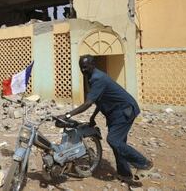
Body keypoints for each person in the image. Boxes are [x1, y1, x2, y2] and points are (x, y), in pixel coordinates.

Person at [58, 54, 153, 185]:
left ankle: (144, 163)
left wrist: (68, 115)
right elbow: (99, 99)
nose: (83, 70)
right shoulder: (91, 77)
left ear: (93, 65)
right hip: (115, 112)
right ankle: (124, 173)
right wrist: (92, 117)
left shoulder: (98, 78)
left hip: (124, 110)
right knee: (118, 143)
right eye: (81, 67)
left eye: (85, 67)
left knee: (113, 140)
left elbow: (88, 103)